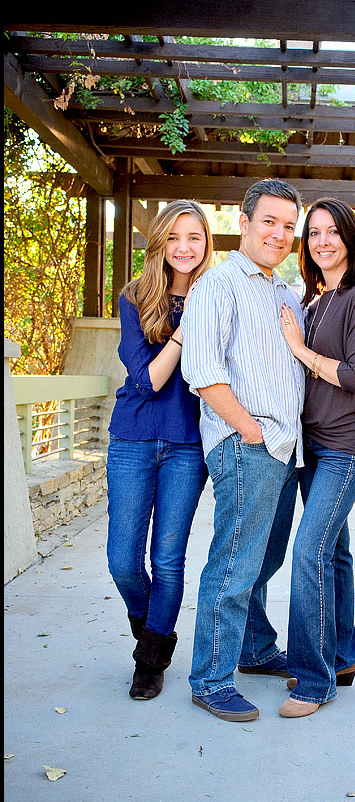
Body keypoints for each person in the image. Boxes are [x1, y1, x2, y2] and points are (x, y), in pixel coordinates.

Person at [180, 178, 306, 722]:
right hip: (247, 447)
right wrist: (249, 430)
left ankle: (253, 650)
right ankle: (210, 679)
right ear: (244, 220)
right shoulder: (219, 286)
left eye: (287, 226)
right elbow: (202, 372)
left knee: (263, 559)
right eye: (269, 222)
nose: (279, 234)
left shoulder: (283, 291)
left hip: (284, 449)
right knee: (233, 565)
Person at [277, 198, 355, 718]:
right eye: (313, 233)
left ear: (349, 238)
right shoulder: (313, 300)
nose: (321, 241)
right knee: (335, 553)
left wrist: (300, 351)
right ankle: (343, 654)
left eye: (331, 231)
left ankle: (314, 682)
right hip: (310, 445)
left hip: (344, 445)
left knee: (308, 552)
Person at [106, 200, 213, 700]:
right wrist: (187, 330)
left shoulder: (217, 295)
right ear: (160, 243)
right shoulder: (134, 297)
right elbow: (147, 380)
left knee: (168, 559)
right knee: (123, 561)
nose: (184, 248)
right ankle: (150, 627)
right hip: (133, 437)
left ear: (207, 242)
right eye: (174, 237)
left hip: (189, 444)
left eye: (194, 237)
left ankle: (150, 660)